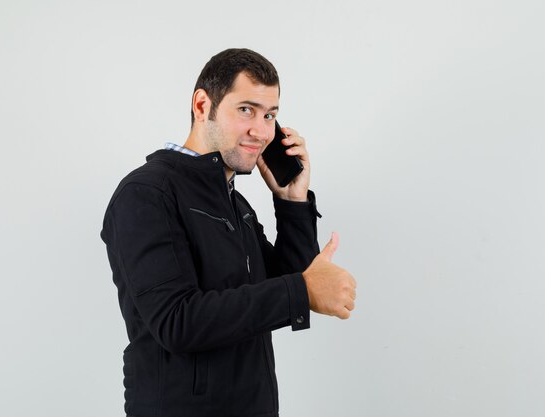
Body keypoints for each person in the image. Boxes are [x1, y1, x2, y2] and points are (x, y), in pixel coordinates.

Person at [101, 48, 356, 417]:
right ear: (203, 106)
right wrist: (302, 290)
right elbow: (176, 321)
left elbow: (290, 284)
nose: (262, 130)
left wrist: (292, 202)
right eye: (246, 110)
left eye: (270, 115)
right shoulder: (147, 194)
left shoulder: (234, 204)